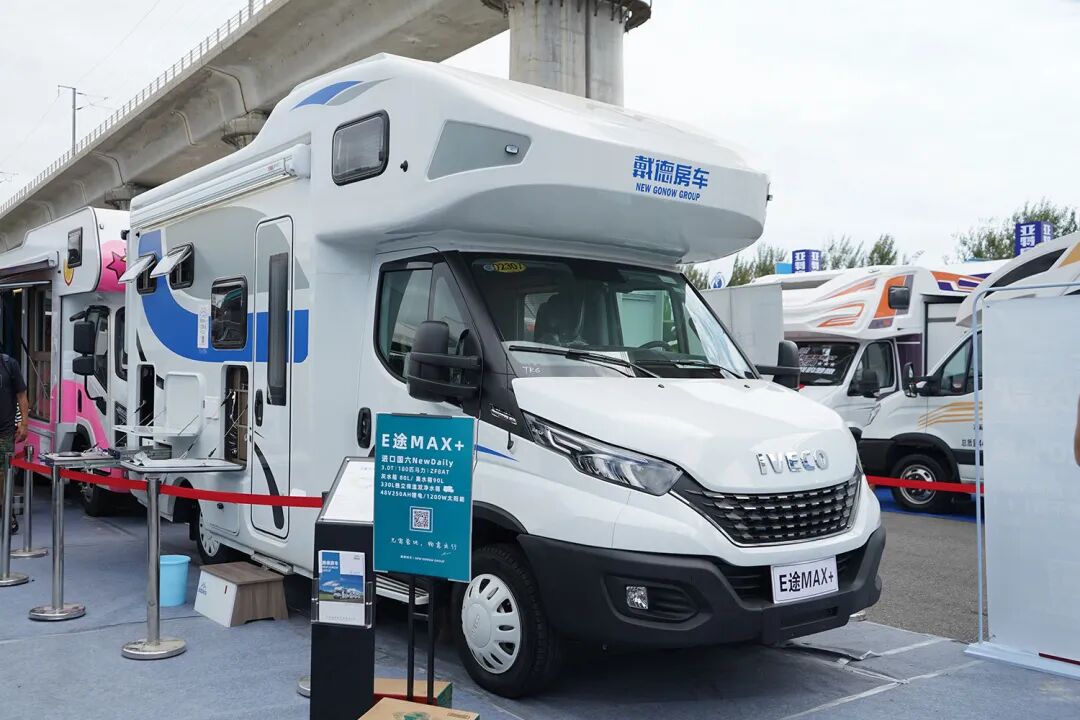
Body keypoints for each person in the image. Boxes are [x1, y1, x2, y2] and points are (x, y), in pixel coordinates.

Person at [0, 353, 29, 535]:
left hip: (4, 430)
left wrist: (24, 423)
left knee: (3, 473)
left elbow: (21, 395)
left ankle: (6, 511)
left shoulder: (9, 364)